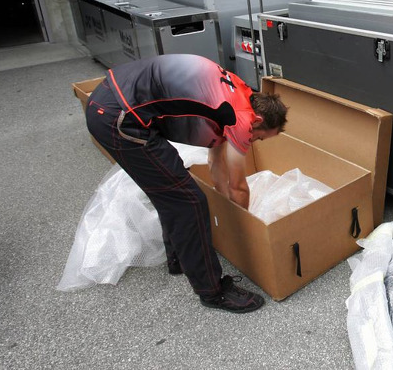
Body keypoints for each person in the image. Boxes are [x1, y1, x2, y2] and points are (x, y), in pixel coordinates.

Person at [85, 54, 288, 313]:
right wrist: (245, 225)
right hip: (119, 117)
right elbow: (238, 187)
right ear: (258, 121)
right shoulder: (242, 118)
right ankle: (212, 291)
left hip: (111, 97)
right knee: (189, 202)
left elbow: (216, 163)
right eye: (259, 138)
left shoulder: (239, 91)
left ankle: (179, 258)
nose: (253, 141)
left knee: (171, 189)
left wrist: (224, 202)